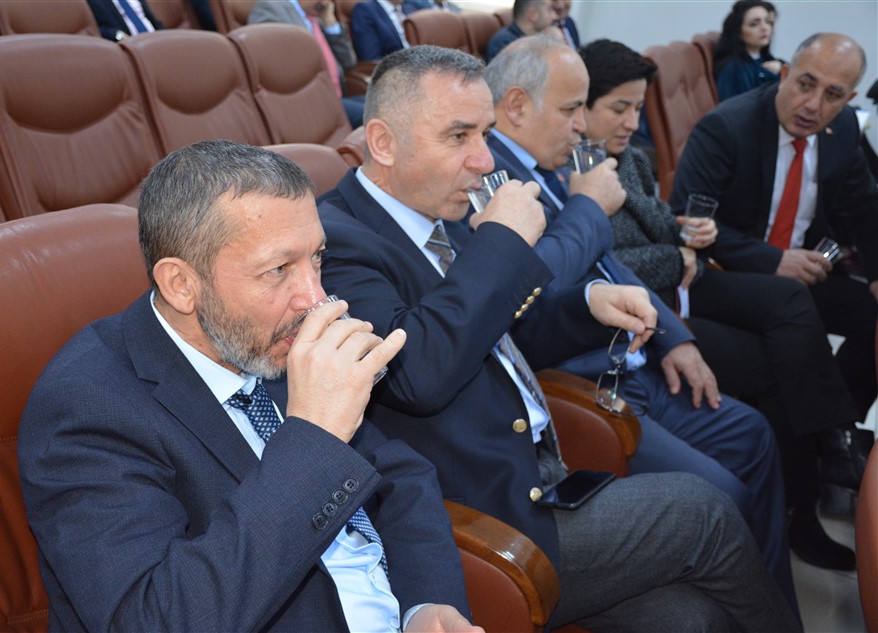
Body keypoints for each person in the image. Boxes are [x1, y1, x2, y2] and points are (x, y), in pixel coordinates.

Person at [318, 44, 800, 632]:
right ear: (384, 143)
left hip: (543, 478)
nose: (483, 159)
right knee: (706, 511)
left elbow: (494, 334)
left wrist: (586, 307)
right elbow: (417, 372)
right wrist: (501, 243)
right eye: (458, 136)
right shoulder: (336, 244)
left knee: (688, 617)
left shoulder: (438, 211)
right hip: (481, 522)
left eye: (486, 133)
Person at [18, 141, 479, 632]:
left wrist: (423, 605)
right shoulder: (88, 410)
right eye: (278, 270)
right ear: (180, 284)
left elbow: (401, 476)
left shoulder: (266, 339)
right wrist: (315, 437)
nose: (316, 298)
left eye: (317, 258)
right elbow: (156, 619)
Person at [483, 34, 798, 609]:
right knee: (722, 495)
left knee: (755, 435)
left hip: (637, 357)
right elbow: (524, 288)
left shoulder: (552, 161)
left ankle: (777, 611)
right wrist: (586, 207)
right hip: (581, 378)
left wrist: (676, 337)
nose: (582, 126)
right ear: (518, 106)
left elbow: (611, 263)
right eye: (571, 109)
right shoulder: (490, 177)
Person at [578, 37, 861, 570]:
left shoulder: (629, 157)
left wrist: (692, 234)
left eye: (638, 108)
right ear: (579, 107)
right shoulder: (577, 172)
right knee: (780, 354)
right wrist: (678, 254)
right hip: (650, 312)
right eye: (620, 109)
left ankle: (827, 447)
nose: (633, 122)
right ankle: (812, 480)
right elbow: (600, 263)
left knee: (793, 309)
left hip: (683, 286)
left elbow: (664, 223)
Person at [671, 32, 878, 435]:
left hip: (799, 272)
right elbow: (683, 221)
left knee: (872, 316)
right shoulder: (726, 127)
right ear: (784, 75)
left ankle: (844, 430)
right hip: (723, 273)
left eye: (833, 94)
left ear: (849, 100)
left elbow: (865, 207)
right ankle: (832, 436)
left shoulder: (843, 129)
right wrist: (774, 260)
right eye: (805, 84)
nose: (813, 105)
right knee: (791, 300)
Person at [249, 0, 366, 127]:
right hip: (309, 104)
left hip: (337, 97)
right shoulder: (270, 8)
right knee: (374, 115)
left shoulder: (317, 17)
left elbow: (348, 62)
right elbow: (271, 66)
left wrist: (330, 25)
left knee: (381, 103)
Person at [714, 1, 785, 101]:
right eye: (754, 24)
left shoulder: (770, 60)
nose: (764, 28)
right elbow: (736, 107)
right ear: (738, 32)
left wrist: (781, 70)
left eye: (768, 22)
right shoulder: (734, 69)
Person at [485, 0, 558, 62]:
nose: (555, 16)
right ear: (532, 14)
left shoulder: (532, 39)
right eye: (549, 10)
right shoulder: (504, 43)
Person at [87, 0, 163, 42]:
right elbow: (94, 29)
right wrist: (119, 35)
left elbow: (154, 22)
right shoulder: (95, 2)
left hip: (156, 40)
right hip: (129, 46)